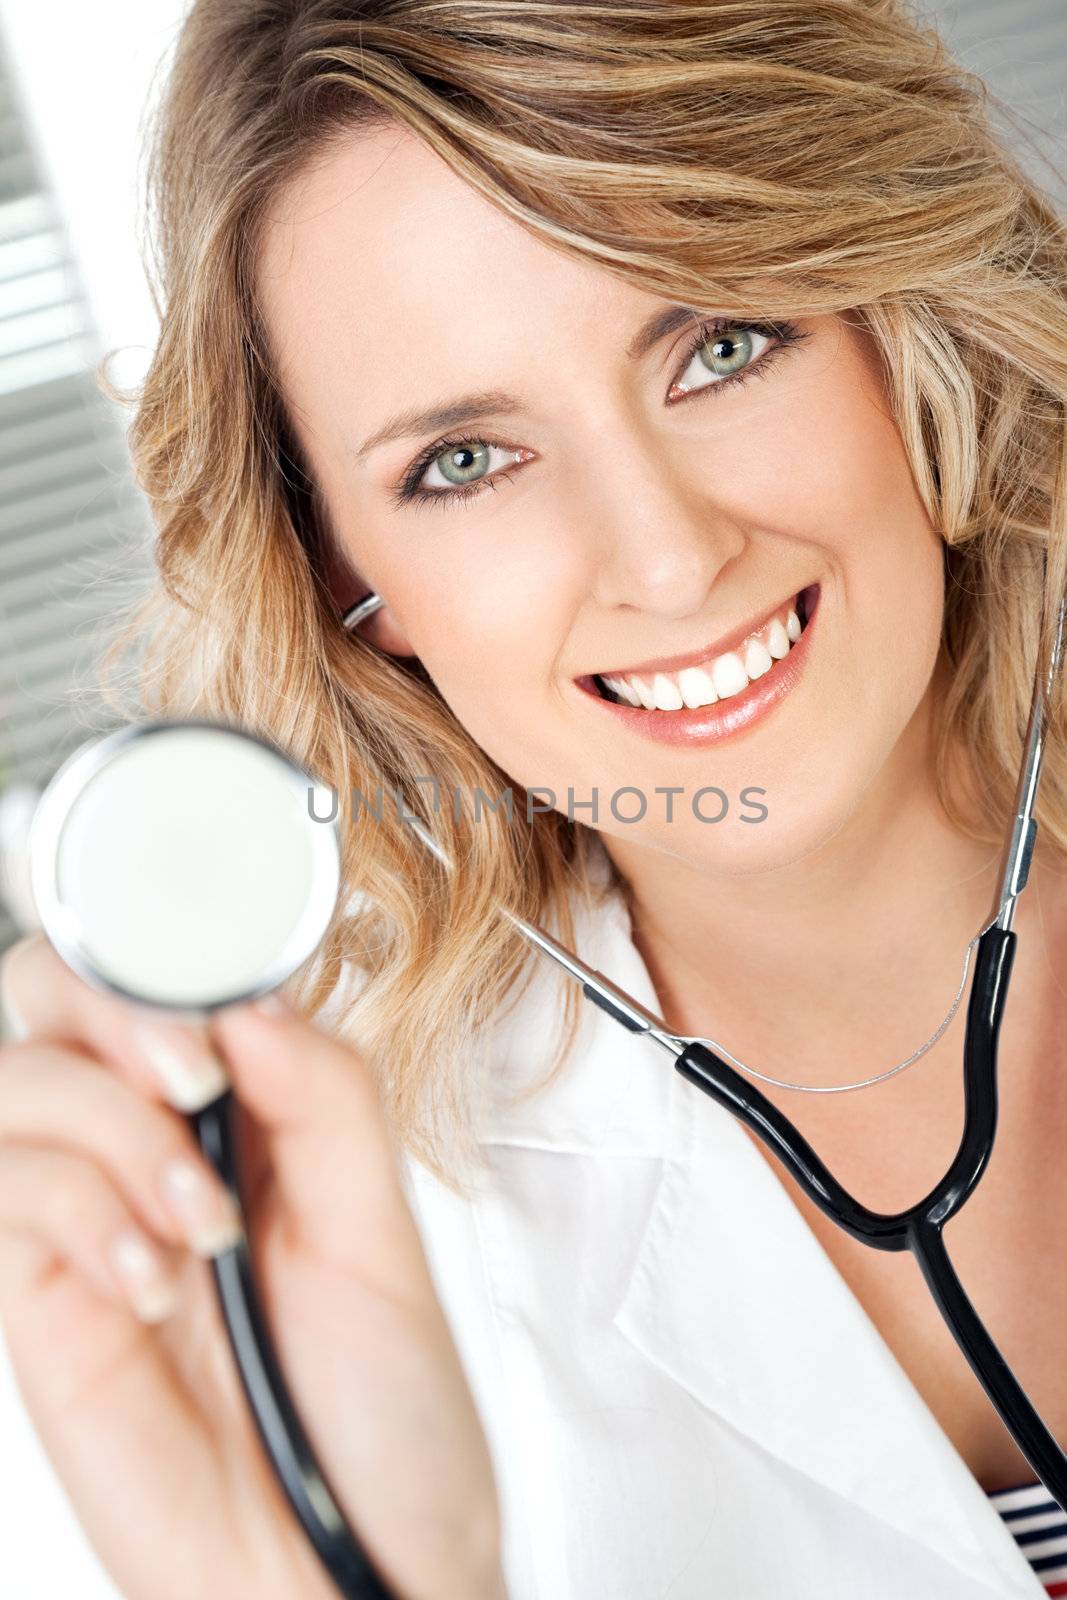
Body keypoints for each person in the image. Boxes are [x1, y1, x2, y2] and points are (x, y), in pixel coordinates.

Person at [1, 0, 1066, 1595]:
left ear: (894, 320)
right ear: (354, 587)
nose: (667, 555)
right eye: (464, 462)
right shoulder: (248, 1270)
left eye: (721, 344)